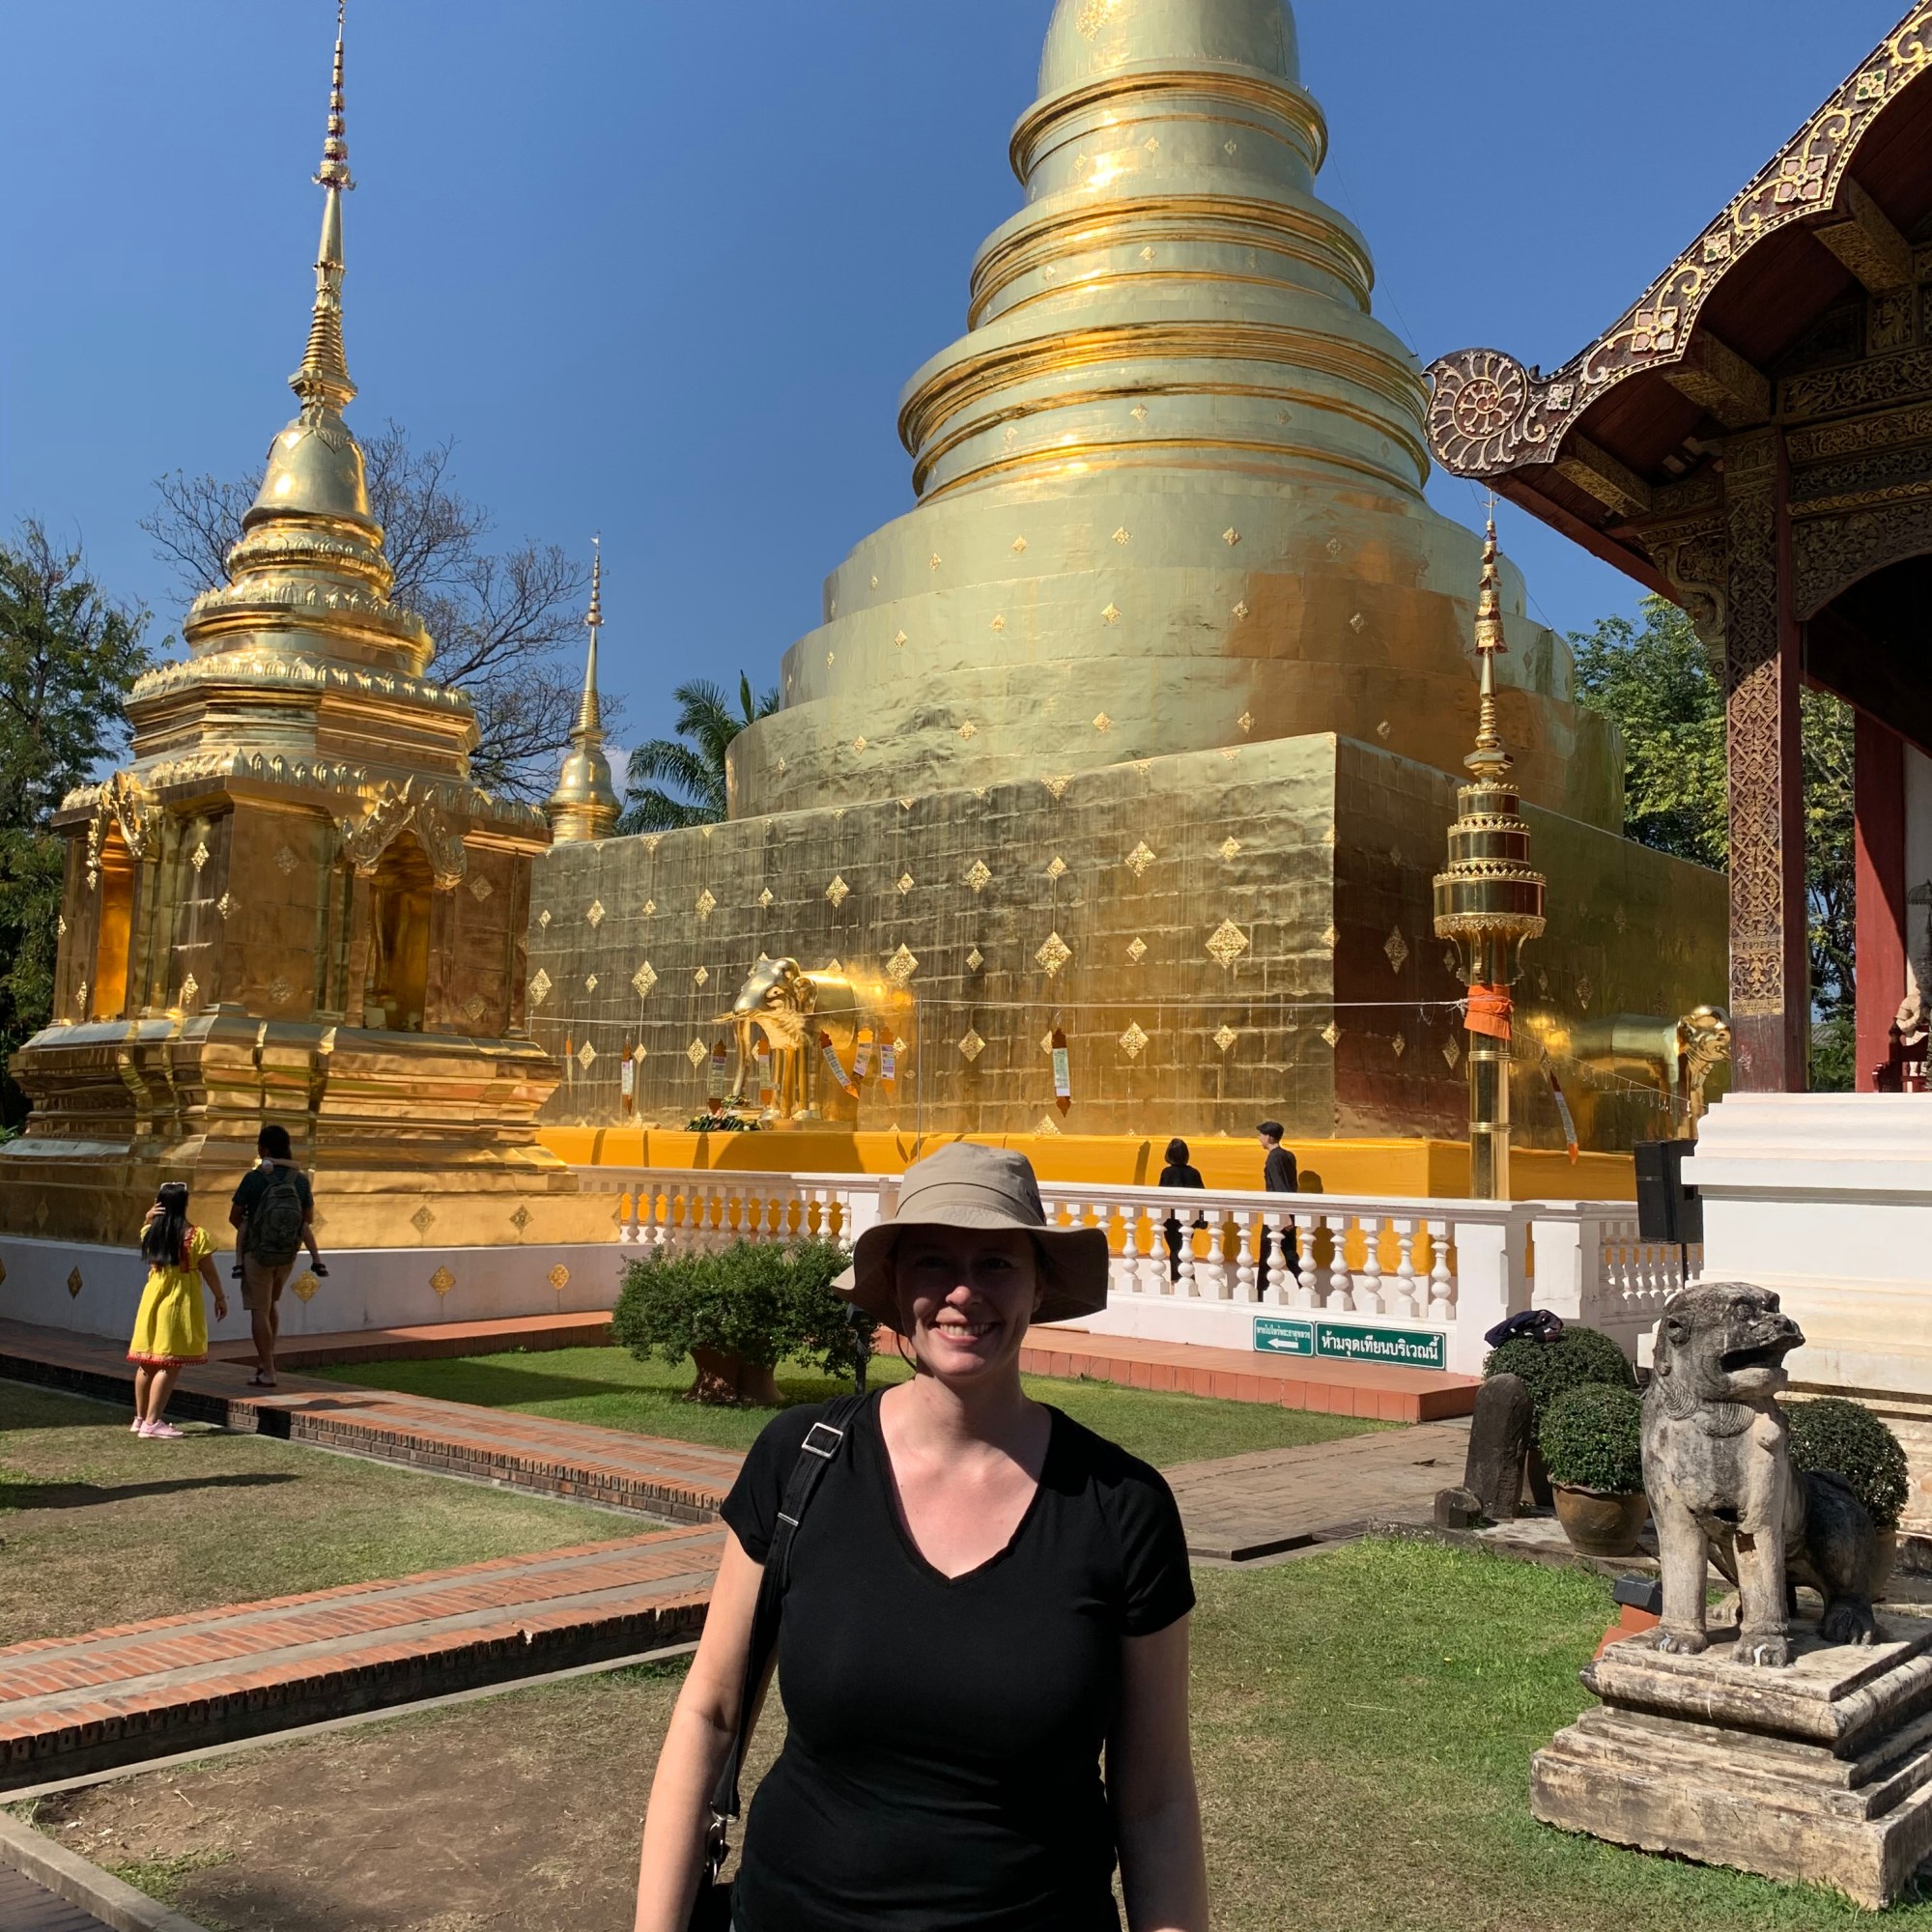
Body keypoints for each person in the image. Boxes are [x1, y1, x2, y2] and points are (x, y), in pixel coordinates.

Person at [634, 1142, 1208, 1932]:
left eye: (997, 1262)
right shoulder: (801, 1460)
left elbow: (1155, 1800)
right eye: (933, 1261)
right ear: (896, 1284)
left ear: (1039, 1285)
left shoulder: (1121, 1505)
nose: (963, 1292)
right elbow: (711, 1713)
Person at [127, 1181, 227, 1439]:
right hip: (179, 1299)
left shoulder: (150, 1232)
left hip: (153, 1297)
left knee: (147, 1362)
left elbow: (146, 1228)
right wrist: (220, 1297)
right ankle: (153, 1422)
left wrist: (148, 1217)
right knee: (168, 1363)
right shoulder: (196, 1236)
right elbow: (209, 1271)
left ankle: (140, 1418)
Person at [229, 1124, 325, 1390]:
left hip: (257, 1254)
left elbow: (234, 1216)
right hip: (286, 1254)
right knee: (271, 1304)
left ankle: (268, 1371)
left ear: (265, 1149)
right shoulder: (300, 1180)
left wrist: (252, 1231)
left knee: (258, 1310)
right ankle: (266, 1362)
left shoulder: (254, 1178)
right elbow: (308, 1218)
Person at [1257, 1120, 1300, 1295]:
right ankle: (1305, 1286)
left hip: (1277, 1213)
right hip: (1288, 1211)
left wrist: (1284, 1214)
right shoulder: (1289, 1156)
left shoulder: (1274, 1158)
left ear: (1269, 1137)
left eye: (1261, 1134)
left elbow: (1279, 1186)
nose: (1259, 1138)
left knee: (1266, 1256)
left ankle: (1260, 1295)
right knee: (1290, 1255)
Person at [1158, 1136, 1206, 1283]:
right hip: (1189, 1219)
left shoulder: (1167, 1173)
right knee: (1184, 1248)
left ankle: (1179, 1282)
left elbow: (1161, 1196)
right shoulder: (1194, 1173)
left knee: (1176, 1250)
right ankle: (1188, 1280)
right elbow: (1202, 1196)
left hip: (1171, 1220)